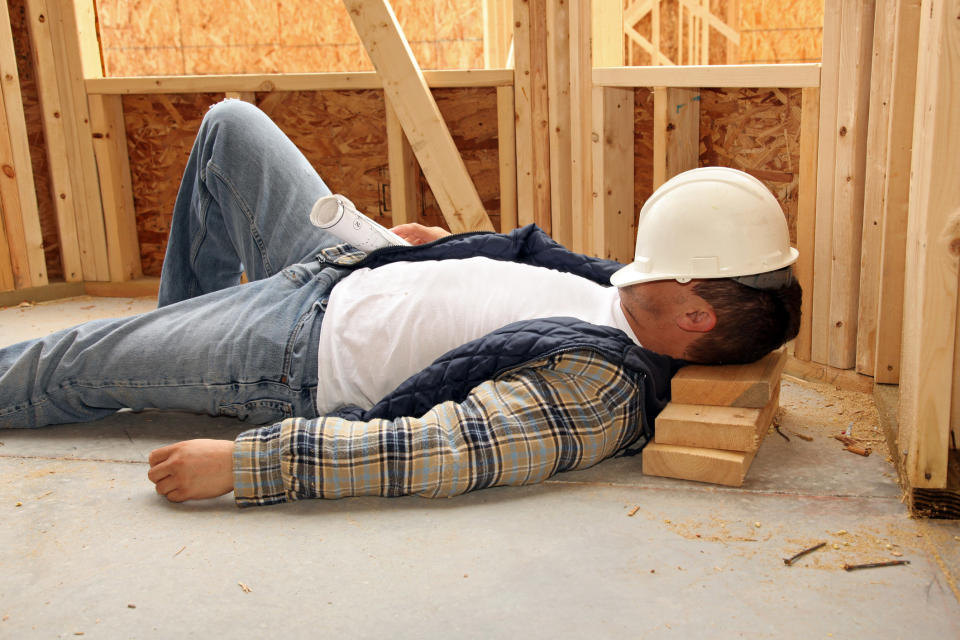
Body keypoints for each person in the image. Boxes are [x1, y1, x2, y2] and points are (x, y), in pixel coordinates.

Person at [0, 100, 801, 507]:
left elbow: (440, 451)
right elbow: (517, 283)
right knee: (229, 127)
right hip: (347, 266)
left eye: (660, 261)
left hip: (293, 352)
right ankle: (178, 342)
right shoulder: (629, 294)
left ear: (696, 317)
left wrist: (244, 465)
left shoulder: (601, 395)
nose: (635, 263)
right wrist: (440, 250)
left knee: (57, 367)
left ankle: (183, 357)